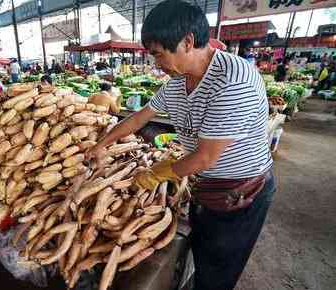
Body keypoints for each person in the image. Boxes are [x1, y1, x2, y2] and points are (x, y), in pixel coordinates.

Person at [86, 2, 275, 290]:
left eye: (158, 54)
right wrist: (103, 144)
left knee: (218, 269)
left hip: (241, 191)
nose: (155, 64)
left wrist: (154, 175)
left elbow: (205, 157)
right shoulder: (177, 83)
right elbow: (138, 119)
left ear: (187, 41)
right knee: (201, 252)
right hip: (209, 187)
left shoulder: (233, 80)